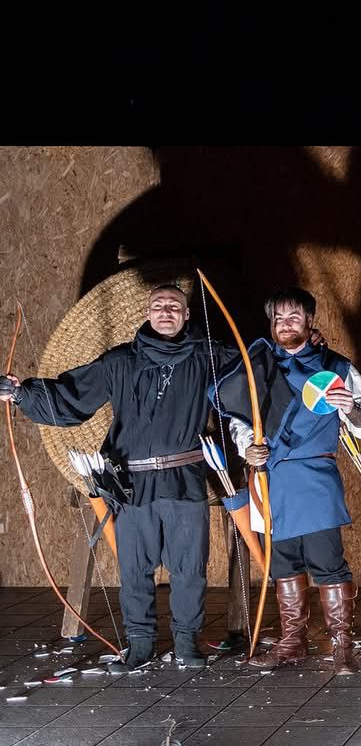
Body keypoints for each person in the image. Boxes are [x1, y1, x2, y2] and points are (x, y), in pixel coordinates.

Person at [2, 283, 219, 671]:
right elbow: (71, 395)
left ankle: (187, 642)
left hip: (184, 478)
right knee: (134, 568)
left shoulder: (208, 357)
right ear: (148, 313)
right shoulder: (120, 362)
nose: (165, 312)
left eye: (174, 306)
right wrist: (22, 395)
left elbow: (253, 377)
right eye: (158, 306)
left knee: (189, 567)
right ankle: (140, 644)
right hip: (132, 482)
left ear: (187, 315)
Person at [211, 286, 361, 675]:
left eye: (293, 317)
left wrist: (350, 408)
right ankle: (292, 642)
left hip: (315, 478)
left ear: (309, 320)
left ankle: (341, 645)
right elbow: (239, 421)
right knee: (283, 563)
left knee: (327, 562)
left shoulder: (334, 368)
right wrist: (247, 448)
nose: (285, 325)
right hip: (271, 478)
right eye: (278, 319)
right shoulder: (257, 367)